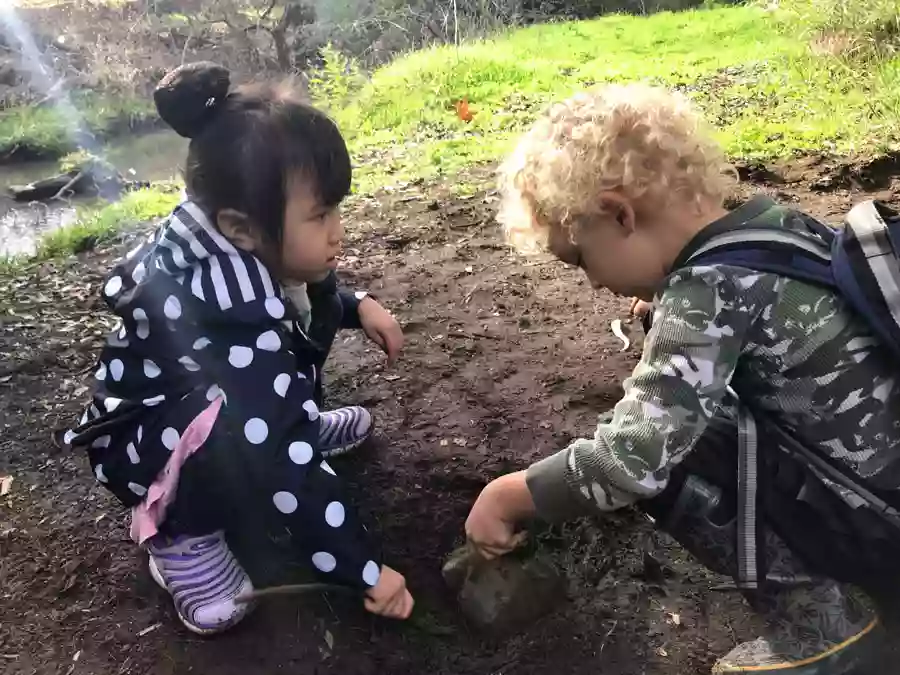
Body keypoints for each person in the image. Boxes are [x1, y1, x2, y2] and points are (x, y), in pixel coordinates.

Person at [464, 83, 900, 674]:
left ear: (621, 213)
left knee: (672, 458)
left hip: (875, 525)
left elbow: (628, 462)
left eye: (581, 259)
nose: (591, 283)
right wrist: (660, 315)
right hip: (880, 485)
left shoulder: (707, 292)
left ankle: (826, 636)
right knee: (684, 411)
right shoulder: (772, 226)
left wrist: (510, 493)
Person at [67, 62, 414, 635]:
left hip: (237, 403)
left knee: (265, 408)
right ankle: (180, 538)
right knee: (257, 432)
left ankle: (292, 422)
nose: (339, 232)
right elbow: (276, 453)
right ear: (240, 226)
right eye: (320, 214)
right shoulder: (226, 305)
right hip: (153, 446)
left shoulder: (238, 243)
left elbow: (304, 298)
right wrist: (363, 570)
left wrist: (356, 306)